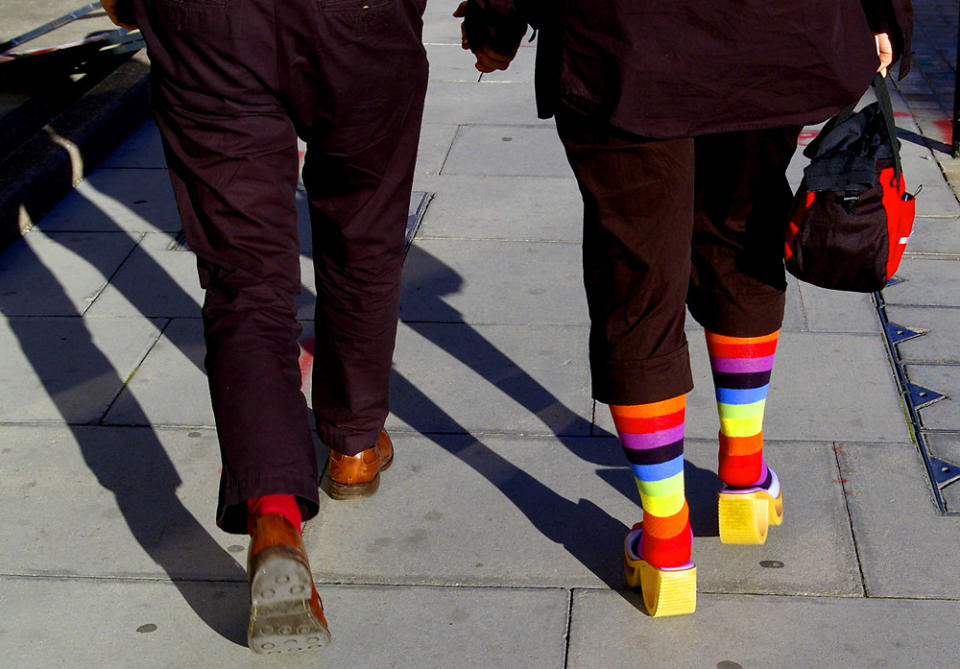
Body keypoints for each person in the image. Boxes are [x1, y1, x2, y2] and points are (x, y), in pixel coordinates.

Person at [455, 0, 912, 617]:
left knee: (638, 277)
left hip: (625, 40)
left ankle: (666, 539)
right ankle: (744, 475)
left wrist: (497, 17)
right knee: (741, 232)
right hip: (774, 32)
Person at [101, 0, 428, 654]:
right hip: (357, 21)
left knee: (245, 275)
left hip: (207, 22)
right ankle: (355, 443)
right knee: (364, 235)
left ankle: (275, 516)